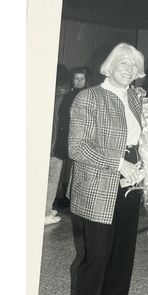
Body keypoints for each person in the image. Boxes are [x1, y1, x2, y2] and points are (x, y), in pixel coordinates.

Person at [67, 43, 146, 295]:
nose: (128, 68)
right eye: (122, 62)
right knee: (95, 263)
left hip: (131, 186)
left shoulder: (136, 98)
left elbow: (146, 138)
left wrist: (146, 166)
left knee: (121, 260)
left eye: (134, 64)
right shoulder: (88, 98)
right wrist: (118, 164)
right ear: (109, 65)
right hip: (97, 188)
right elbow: (77, 148)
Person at [53, 66, 91, 207]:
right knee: (67, 168)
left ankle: (75, 198)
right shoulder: (68, 94)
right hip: (67, 134)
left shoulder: (89, 94)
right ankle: (65, 198)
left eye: (82, 78)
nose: (80, 81)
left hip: (82, 136)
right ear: (72, 80)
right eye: (77, 78)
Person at [45, 64, 70, 225]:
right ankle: (45, 212)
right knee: (52, 178)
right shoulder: (64, 97)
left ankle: (43, 208)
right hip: (55, 146)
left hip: (43, 144)